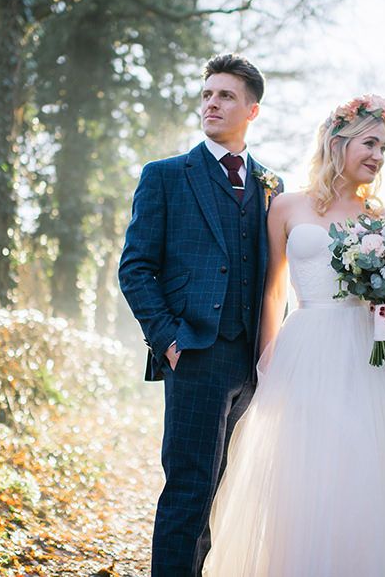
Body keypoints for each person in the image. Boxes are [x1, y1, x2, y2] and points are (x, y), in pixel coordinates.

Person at [203, 95, 385, 576]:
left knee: (363, 475)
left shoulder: (383, 219)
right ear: (338, 142)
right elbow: (272, 294)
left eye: (384, 148)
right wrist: (268, 362)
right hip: (306, 353)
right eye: (370, 143)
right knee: (307, 476)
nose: (378, 156)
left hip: (372, 359)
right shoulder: (286, 206)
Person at [118, 53, 283, 576]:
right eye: (208, 93)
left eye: (226, 95)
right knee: (189, 489)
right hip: (194, 354)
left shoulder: (270, 185)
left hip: (252, 362)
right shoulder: (166, 176)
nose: (212, 103)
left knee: (222, 492)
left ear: (252, 110)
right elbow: (135, 267)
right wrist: (167, 338)